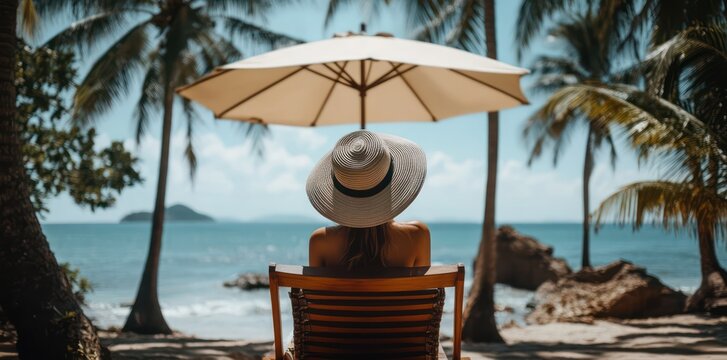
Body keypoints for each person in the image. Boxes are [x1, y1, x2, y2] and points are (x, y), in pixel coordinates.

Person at [305, 130, 430, 269]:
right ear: (393, 182)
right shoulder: (416, 236)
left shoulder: (320, 242)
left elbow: (312, 291)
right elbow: (424, 290)